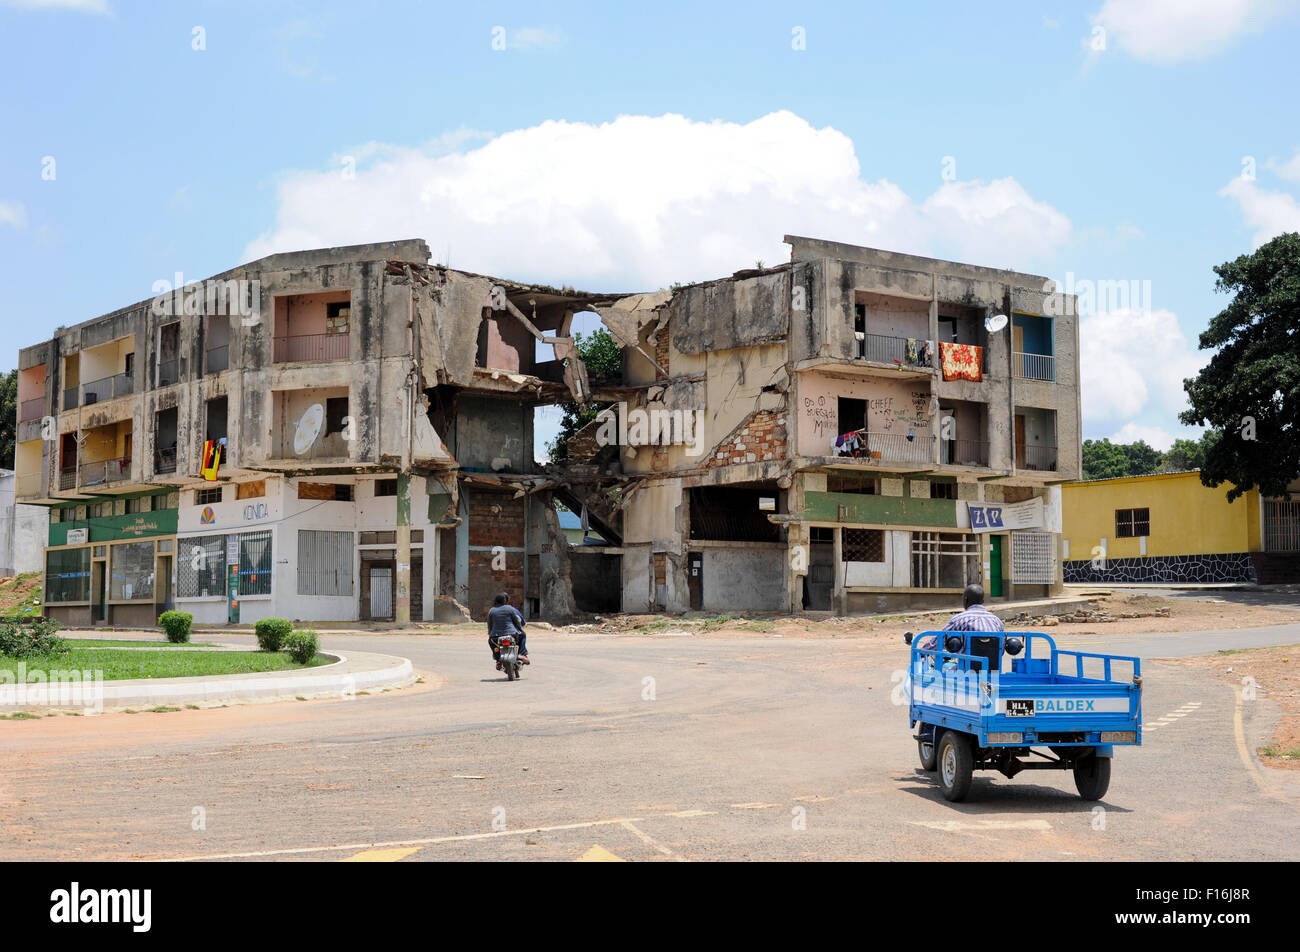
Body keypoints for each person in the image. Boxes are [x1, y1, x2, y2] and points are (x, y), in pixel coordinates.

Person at [487, 592, 529, 668]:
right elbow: (516, 621)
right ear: (505, 601)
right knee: (523, 635)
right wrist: (520, 630)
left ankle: (498, 659)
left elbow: (490, 624)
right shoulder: (510, 608)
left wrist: (490, 634)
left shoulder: (491, 610)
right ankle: (522, 654)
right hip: (512, 633)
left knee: (490, 642)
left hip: (495, 636)